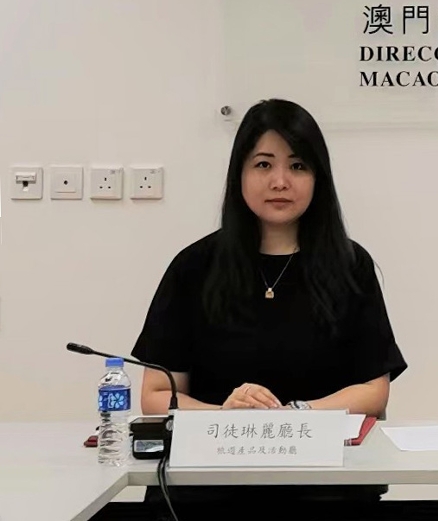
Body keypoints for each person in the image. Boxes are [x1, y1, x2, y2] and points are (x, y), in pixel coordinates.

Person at [131, 98, 406, 507]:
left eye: (298, 166)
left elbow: (373, 391)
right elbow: (156, 394)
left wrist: (293, 415)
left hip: (327, 486)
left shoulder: (350, 265)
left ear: (318, 178)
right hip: (207, 485)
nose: (280, 181)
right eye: (263, 164)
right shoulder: (194, 266)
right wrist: (228, 419)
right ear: (239, 174)